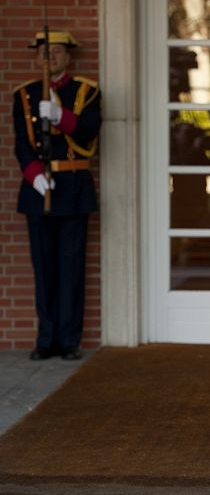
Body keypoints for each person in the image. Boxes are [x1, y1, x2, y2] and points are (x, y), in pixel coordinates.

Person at [13, 30, 102, 361]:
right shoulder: (25, 95)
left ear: (68, 56)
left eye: (57, 51)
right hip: (40, 190)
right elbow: (22, 143)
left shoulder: (85, 92)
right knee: (44, 266)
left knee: (71, 267)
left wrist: (60, 117)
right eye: (44, 52)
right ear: (37, 58)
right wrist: (35, 176)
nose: (50, 57)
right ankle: (46, 338)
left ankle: (68, 340)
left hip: (73, 187)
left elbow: (90, 130)